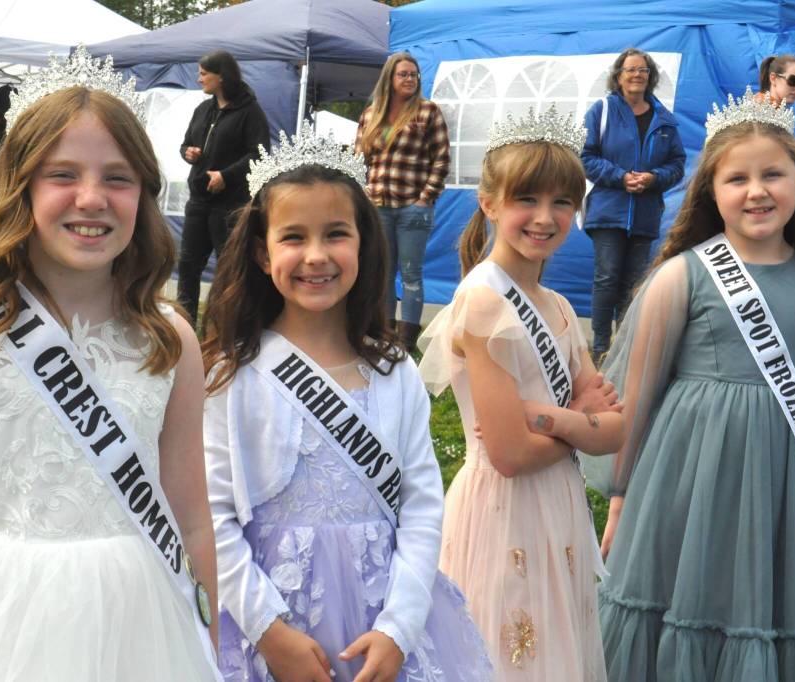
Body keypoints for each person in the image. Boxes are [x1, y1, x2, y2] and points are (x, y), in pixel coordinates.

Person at [0, 49, 221, 682]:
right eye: (62, 173)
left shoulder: (170, 338)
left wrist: (208, 646)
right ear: (20, 186)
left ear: (144, 194)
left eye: (117, 178)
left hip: (143, 628)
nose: (91, 198)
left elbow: (193, 520)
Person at [590, 91, 795, 681]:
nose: (757, 190)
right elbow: (637, 396)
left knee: (769, 603)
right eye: (737, 179)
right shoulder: (681, 276)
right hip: (685, 474)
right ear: (711, 192)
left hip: (784, 477)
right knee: (679, 595)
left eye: (772, 174)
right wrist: (622, 495)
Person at [202, 131, 491, 682]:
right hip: (270, 627)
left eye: (336, 234)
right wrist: (269, 632)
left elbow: (423, 504)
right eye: (294, 237)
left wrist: (399, 628)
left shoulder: (394, 371)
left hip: (383, 623)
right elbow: (212, 517)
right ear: (263, 253)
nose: (316, 256)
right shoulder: (232, 374)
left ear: (364, 243)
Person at [418, 108, 625, 680]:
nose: (545, 216)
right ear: (488, 203)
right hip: (503, 514)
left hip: (555, 504)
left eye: (562, 201)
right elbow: (509, 455)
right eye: (525, 199)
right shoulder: (485, 301)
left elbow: (617, 429)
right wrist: (577, 419)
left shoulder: (557, 306)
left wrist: (552, 419)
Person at [581, 47, 686, 363]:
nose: (637, 75)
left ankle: (624, 348)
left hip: (644, 214)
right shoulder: (601, 111)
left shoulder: (664, 120)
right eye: (631, 70)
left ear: (650, 77)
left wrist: (653, 178)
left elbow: (677, 163)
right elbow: (585, 157)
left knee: (634, 283)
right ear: (618, 76)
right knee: (607, 277)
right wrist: (620, 177)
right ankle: (601, 347)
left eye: (643, 70)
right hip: (608, 211)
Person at [355, 51, 450, 351]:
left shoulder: (427, 111)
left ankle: (407, 341)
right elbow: (359, 161)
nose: (410, 79)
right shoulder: (371, 114)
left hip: (413, 206)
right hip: (378, 205)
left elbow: (442, 159)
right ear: (389, 78)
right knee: (382, 272)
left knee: (410, 274)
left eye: (414, 74)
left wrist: (426, 198)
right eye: (403, 74)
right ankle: (385, 332)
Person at [178, 49, 270, 326]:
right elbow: (185, 144)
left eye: (204, 74)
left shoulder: (250, 111)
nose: (199, 79)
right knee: (188, 266)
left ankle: (220, 328)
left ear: (221, 77)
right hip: (198, 200)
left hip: (229, 205)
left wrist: (227, 176)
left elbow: (260, 153)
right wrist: (188, 153)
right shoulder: (202, 109)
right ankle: (183, 326)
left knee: (227, 270)